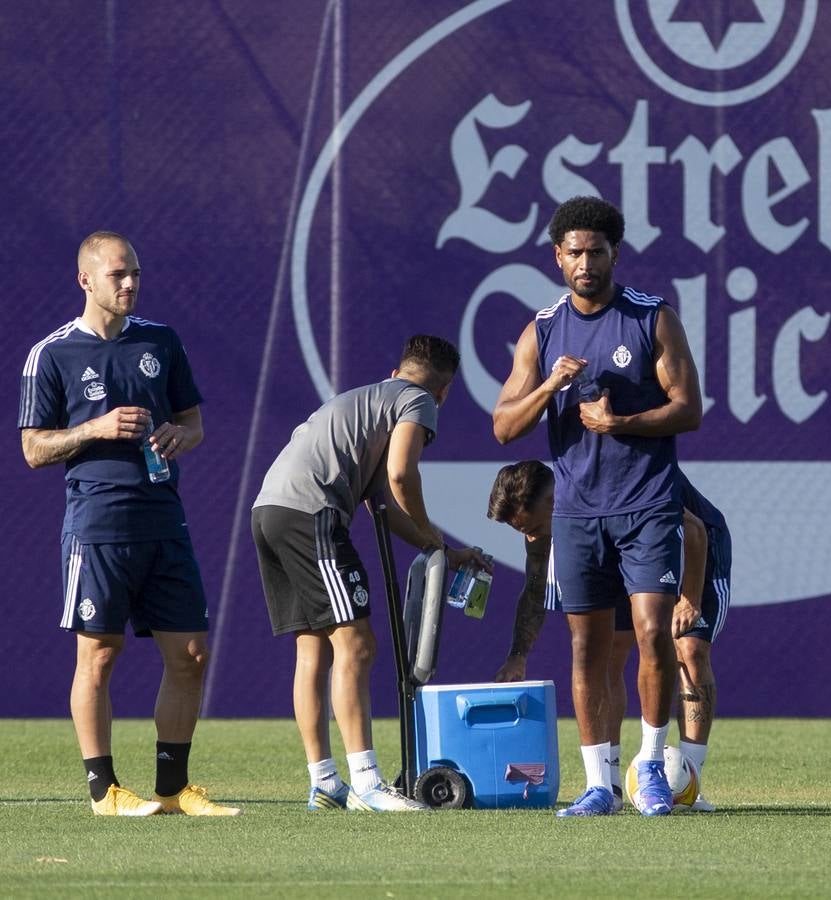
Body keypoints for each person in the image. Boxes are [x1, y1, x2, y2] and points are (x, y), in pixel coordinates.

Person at [492, 196, 703, 817]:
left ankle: (653, 768)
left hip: (646, 504)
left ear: (616, 254)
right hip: (578, 513)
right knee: (586, 649)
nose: (586, 263)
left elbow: (688, 408)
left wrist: (624, 421)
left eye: (597, 252)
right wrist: (551, 385)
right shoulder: (543, 330)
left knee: (650, 635)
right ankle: (599, 785)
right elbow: (504, 425)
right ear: (558, 257)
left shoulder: (651, 317)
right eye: (574, 252)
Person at [19, 231, 238, 816]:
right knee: (100, 656)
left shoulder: (161, 341)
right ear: (85, 280)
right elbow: (33, 449)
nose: (130, 283)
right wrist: (95, 428)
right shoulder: (53, 353)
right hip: (98, 525)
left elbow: (193, 423)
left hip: (164, 518)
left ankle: (173, 789)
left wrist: (179, 436)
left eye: (135, 272)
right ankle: (104, 791)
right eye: (118, 274)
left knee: (191, 654)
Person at [252, 334, 484, 812]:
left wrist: (441, 548)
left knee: (313, 648)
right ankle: (367, 782)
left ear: (397, 370)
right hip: (312, 514)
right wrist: (428, 529)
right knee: (357, 644)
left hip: (269, 510)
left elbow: (381, 505)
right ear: (444, 392)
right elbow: (401, 477)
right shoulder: (418, 400)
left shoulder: (366, 401)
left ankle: (325, 783)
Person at [487, 460, 729, 812]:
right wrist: (518, 655)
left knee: (688, 651)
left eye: (535, 527)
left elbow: (693, 531)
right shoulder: (541, 528)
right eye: (522, 531)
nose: (532, 538)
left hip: (696, 550)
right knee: (610, 653)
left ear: (556, 500)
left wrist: (689, 599)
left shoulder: (606, 483)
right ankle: (609, 786)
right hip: (624, 548)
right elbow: (536, 586)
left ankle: (689, 785)